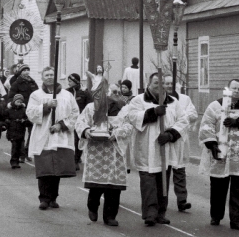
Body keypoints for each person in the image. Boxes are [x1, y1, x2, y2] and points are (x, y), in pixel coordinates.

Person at [119, 73, 189, 226]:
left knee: (163, 181)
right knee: (149, 182)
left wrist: (171, 134)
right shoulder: (139, 100)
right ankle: (150, 213)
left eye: (163, 83)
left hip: (165, 147)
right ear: (149, 83)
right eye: (156, 82)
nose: (160, 85)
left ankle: (161, 212)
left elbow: (183, 121)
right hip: (147, 148)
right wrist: (152, 113)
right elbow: (131, 116)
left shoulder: (173, 102)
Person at [199, 79, 239, 231]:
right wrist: (212, 144)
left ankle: (237, 219)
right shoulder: (215, 105)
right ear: (227, 89)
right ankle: (216, 216)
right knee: (218, 187)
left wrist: (238, 121)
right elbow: (206, 124)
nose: (236, 91)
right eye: (234, 88)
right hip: (220, 151)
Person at [75, 90, 132, 226]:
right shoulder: (90, 108)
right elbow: (80, 122)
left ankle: (110, 215)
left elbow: (129, 126)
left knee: (113, 186)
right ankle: (92, 206)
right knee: (96, 184)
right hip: (96, 151)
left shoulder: (121, 109)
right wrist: (86, 131)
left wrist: (117, 132)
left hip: (114, 151)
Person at [26, 67, 80, 210]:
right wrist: (46, 106)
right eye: (47, 75)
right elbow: (30, 113)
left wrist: (61, 125)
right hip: (43, 136)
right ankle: (43, 198)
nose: (49, 77)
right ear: (42, 77)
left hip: (60, 137)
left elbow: (75, 113)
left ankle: (53, 198)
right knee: (45, 170)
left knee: (57, 170)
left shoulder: (67, 95)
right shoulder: (36, 95)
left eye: (52, 74)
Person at [163, 75, 198, 211]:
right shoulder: (159, 99)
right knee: (164, 172)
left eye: (171, 83)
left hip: (180, 139)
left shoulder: (184, 99)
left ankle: (182, 200)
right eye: (166, 83)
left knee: (180, 171)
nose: (169, 86)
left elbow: (193, 115)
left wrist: (180, 117)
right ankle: (162, 201)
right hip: (166, 139)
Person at [7, 64, 39, 161]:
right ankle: (21, 153)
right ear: (21, 72)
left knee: (32, 131)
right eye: (24, 70)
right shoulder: (16, 83)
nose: (26, 72)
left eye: (27, 70)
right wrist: (15, 104)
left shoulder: (33, 82)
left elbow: (38, 95)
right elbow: (11, 96)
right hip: (21, 110)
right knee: (20, 132)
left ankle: (27, 150)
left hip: (32, 109)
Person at [66, 73, 93, 171]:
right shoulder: (66, 92)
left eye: (70, 81)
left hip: (80, 120)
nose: (68, 83)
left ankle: (75, 160)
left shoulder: (84, 92)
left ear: (76, 81)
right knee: (69, 140)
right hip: (69, 119)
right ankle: (69, 159)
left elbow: (90, 105)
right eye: (68, 81)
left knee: (78, 140)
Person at [5, 94, 31, 169]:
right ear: (14, 101)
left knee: (20, 147)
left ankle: (17, 161)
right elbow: (5, 118)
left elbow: (28, 121)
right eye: (17, 101)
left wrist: (24, 121)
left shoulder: (24, 110)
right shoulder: (9, 110)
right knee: (14, 147)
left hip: (21, 131)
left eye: (20, 102)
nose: (19, 103)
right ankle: (13, 161)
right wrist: (8, 122)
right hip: (12, 131)